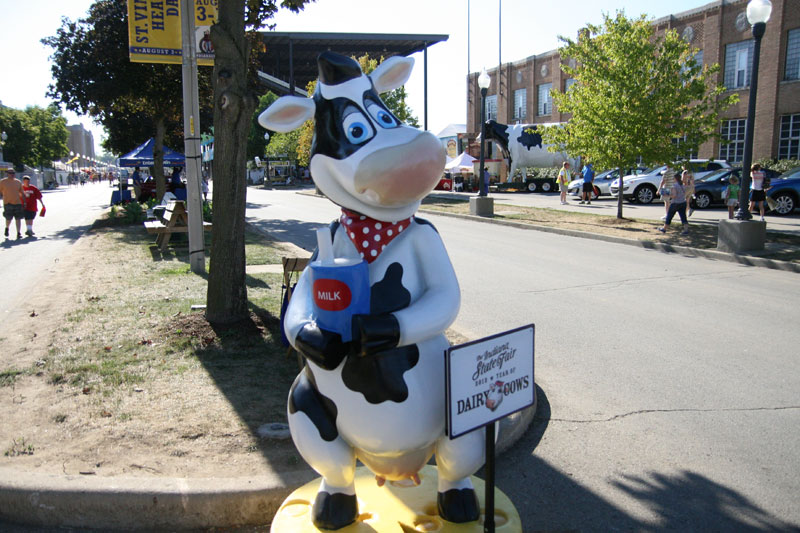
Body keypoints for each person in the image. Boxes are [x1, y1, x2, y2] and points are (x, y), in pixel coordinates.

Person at [0, 169, 25, 240]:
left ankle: (18, 233)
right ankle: (7, 228)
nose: (12, 174)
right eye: (10, 173)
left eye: (13, 173)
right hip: (7, 203)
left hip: (17, 203)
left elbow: (21, 193)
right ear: (7, 174)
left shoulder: (18, 182)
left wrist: (24, 202)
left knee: (18, 218)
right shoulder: (3, 182)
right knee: (8, 218)